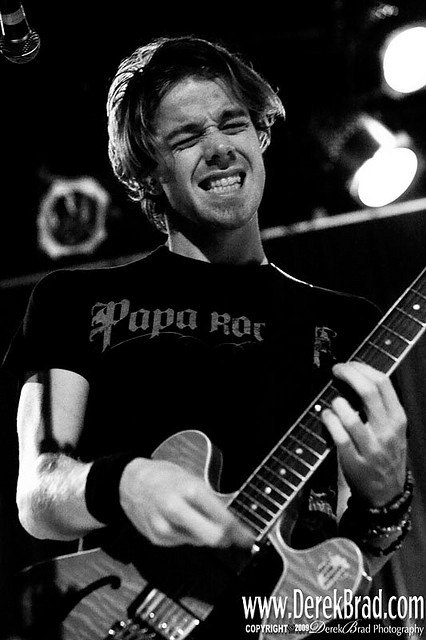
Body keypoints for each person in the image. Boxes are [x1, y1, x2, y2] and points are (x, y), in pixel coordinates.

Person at [3, 35, 412, 638]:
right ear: (147, 170)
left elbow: (348, 566)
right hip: (122, 619)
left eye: (233, 124)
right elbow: (38, 495)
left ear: (261, 135)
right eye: (187, 137)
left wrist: (385, 504)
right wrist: (125, 481)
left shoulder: (353, 324)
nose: (220, 148)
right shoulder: (73, 300)